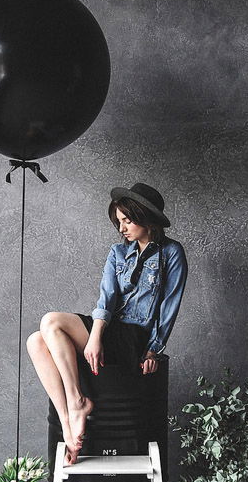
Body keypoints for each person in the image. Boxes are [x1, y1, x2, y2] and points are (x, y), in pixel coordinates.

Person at [26, 183, 188, 465]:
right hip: (110, 329)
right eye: (119, 221)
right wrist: (95, 335)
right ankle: (68, 421)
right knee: (35, 341)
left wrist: (153, 350)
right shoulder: (117, 253)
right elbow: (107, 298)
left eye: (127, 220)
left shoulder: (171, 253)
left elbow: (169, 306)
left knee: (51, 321)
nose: (122, 228)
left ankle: (77, 402)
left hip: (134, 336)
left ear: (145, 217)